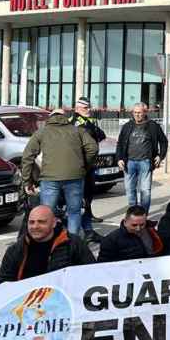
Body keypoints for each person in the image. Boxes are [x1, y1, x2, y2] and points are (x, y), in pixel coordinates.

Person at [20, 108, 98, 236]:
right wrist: (84, 165)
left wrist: (27, 180)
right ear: (65, 117)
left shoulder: (42, 132)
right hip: (75, 176)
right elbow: (93, 148)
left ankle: (47, 242)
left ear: (50, 117)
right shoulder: (77, 130)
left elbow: (27, 156)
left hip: (49, 178)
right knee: (74, 212)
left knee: (47, 213)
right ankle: (73, 243)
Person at [0, 206, 94, 284]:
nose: (35, 226)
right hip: (26, 304)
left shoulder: (74, 244)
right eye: (31, 222)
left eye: (41, 222)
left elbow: (93, 274)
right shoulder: (16, 250)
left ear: (54, 223)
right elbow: (2, 284)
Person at [116, 102, 168, 212]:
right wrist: (119, 158)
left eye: (139, 112)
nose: (137, 115)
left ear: (145, 112)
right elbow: (120, 143)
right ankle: (134, 214)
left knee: (145, 191)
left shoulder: (153, 126)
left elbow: (163, 141)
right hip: (129, 162)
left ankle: (143, 216)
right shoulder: (127, 126)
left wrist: (160, 156)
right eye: (135, 112)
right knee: (130, 190)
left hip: (145, 162)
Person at [68, 97, 107, 243]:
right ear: (77, 109)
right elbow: (92, 137)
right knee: (80, 200)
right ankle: (78, 235)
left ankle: (88, 225)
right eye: (85, 108)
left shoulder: (89, 121)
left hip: (89, 165)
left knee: (88, 195)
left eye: (89, 107)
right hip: (81, 165)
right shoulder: (77, 122)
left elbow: (101, 134)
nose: (88, 110)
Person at [98, 206, 165, 262]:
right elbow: (103, 265)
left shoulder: (151, 231)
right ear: (125, 222)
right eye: (134, 225)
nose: (138, 229)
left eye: (142, 224)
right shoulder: (111, 240)